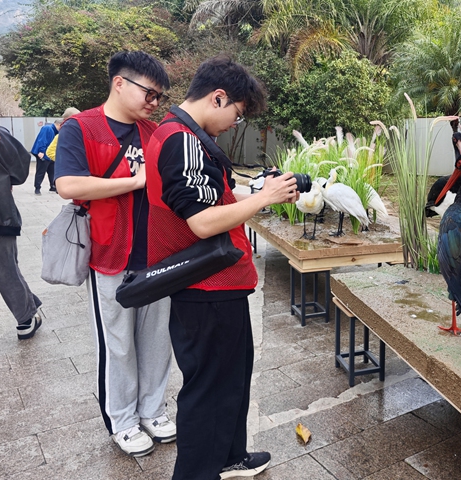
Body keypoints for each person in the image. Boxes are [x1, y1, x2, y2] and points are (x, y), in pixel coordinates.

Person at [145, 56, 298, 480]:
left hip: (218, 285)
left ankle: (230, 456)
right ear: (218, 97)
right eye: (237, 112)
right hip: (205, 288)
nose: (235, 122)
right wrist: (264, 198)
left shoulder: (180, 135)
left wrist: (250, 191)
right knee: (208, 388)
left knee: (231, 376)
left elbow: (209, 199)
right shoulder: (181, 139)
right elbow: (201, 220)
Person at [54, 51, 176, 458]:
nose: (154, 102)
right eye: (149, 92)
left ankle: (153, 410)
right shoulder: (82, 127)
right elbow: (69, 185)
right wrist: (134, 181)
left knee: (158, 339)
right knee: (118, 342)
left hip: (156, 254)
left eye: (159, 96)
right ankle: (122, 420)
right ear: (119, 83)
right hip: (109, 254)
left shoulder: (153, 132)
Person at [0, 125, 43, 339]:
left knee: (4, 268)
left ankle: (27, 311)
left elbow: (20, 168)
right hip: (0, 213)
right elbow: (20, 168)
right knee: (4, 268)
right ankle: (26, 311)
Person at [30, 117, 60, 194]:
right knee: (41, 171)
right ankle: (37, 187)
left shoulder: (54, 131)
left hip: (49, 155)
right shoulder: (47, 128)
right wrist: (41, 151)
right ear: (59, 125)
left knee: (52, 171)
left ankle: (52, 186)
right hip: (43, 154)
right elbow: (42, 140)